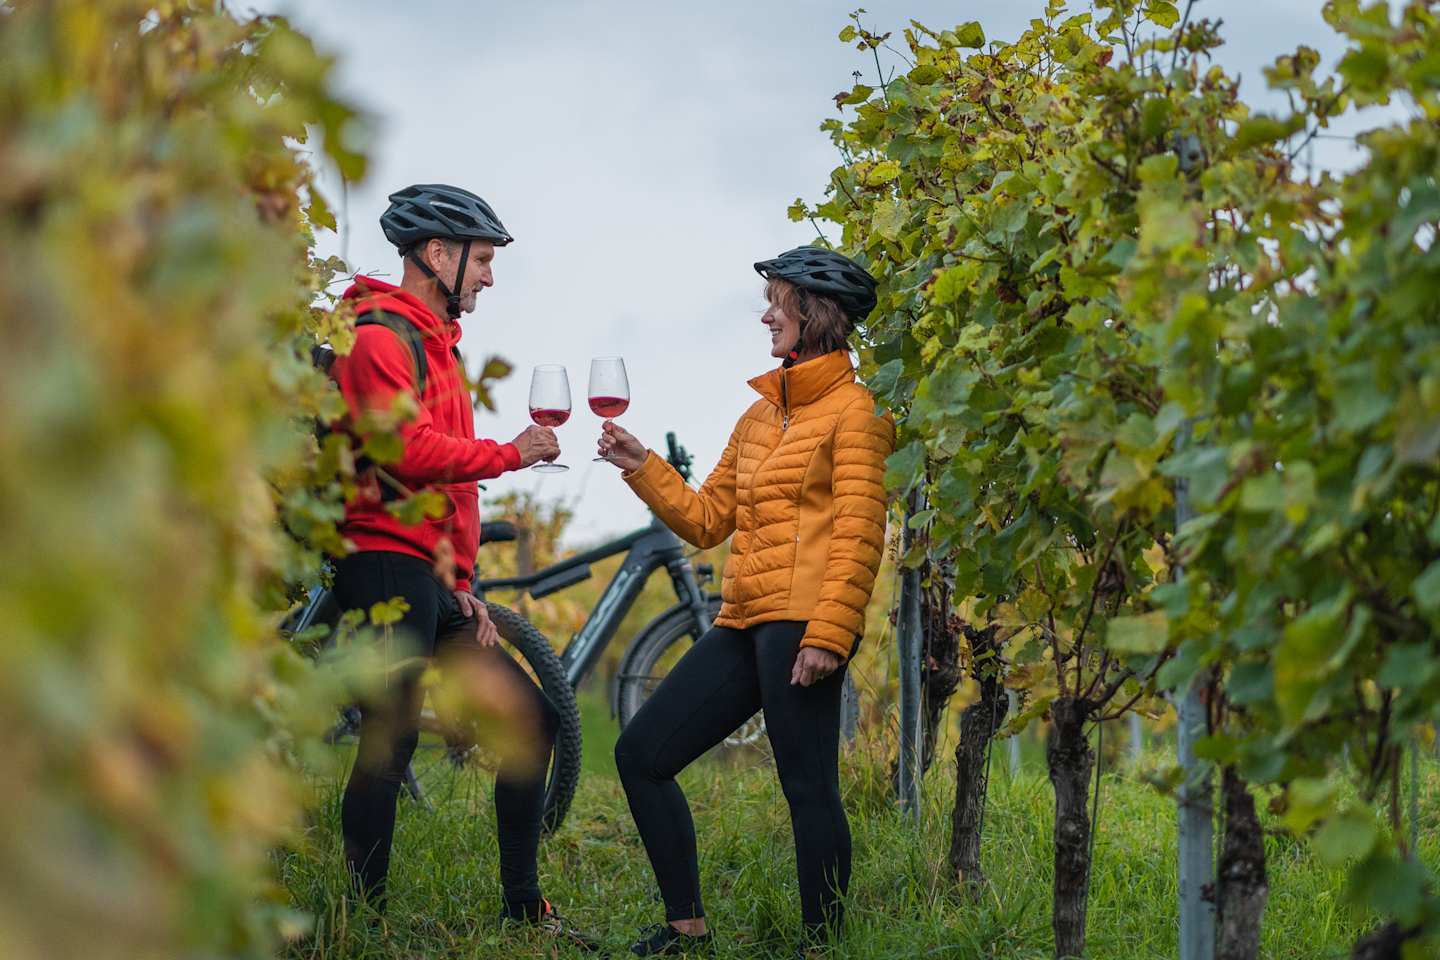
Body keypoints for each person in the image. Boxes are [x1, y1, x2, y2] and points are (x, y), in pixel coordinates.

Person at [598, 246, 895, 955]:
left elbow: (860, 533)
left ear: (814, 313)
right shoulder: (761, 417)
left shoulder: (857, 414)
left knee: (807, 787)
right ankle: (686, 929)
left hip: (802, 623)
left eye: (779, 301)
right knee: (642, 753)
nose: (767, 314)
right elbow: (706, 521)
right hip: (743, 620)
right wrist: (643, 466)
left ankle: (819, 945)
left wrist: (830, 632)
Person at [328, 183, 595, 949]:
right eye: (480, 260)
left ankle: (521, 908)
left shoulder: (435, 344)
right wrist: (512, 452)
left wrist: (463, 585)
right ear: (435, 255)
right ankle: (361, 922)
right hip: (379, 561)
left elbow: (447, 493)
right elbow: (402, 452)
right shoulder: (380, 335)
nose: (488, 277)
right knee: (392, 736)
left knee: (530, 722)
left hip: (425, 573)